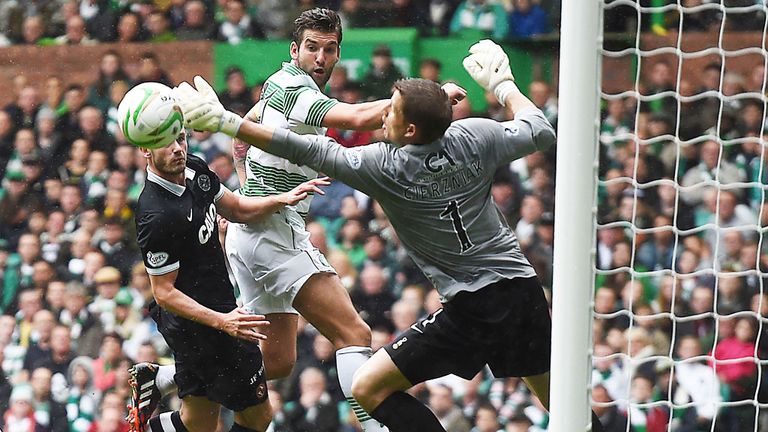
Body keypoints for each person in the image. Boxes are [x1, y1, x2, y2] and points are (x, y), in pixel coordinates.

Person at [174, 39, 605, 432]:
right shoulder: (476, 135)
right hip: (520, 291)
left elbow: (303, 148)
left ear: (410, 129)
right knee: (563, 405)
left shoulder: (385, 167)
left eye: (392, 111)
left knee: (367, 388)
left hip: (471, 306)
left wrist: (227, 121)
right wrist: (504, 84)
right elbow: (539, 130)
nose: (384, 113)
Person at [135, 9, 464, 432]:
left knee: (275, 360)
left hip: (254, 232)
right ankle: (377, 427)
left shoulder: (278, 86)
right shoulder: (296, 88)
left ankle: (163, 378)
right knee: (354, 334)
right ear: (295, 50)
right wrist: (432, 97)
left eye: (329, 49)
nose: (320, 57)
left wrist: (248, 179)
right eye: (312, 47)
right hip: (273, 235)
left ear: (339, 53)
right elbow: (358, 118)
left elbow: (244, 132)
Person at [127, 128, 329, 432]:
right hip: (204, 327)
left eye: (180, 139)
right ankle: (164, 378)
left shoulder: (193, 168)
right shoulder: (156, 214)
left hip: (217, 314)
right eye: (164, 143)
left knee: (198, 424)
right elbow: (164, 293)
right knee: (259, 416)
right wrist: (222, 322)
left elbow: (235, 208)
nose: (177, 149)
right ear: (146, 150)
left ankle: (160, 383)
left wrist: (282, 199)